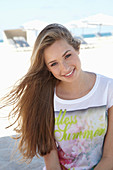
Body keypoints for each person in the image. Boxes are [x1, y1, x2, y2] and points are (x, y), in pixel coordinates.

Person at [1, 23, 113, 170]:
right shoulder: (44, 97)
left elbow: (109, 157)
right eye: (54, 64)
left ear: (76, 48)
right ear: (47, 68)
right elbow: (50, 157)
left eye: (67, 55)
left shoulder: (108, 89)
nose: (65, 68)